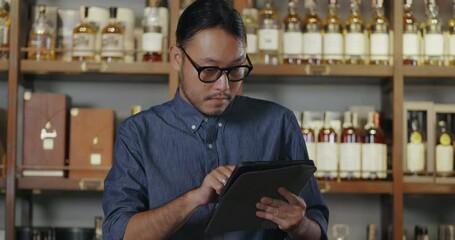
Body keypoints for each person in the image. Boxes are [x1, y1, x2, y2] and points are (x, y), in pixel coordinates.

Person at [102, 0, 329, 239]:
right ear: (177, 58)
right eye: (209, 70)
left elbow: (318, 229)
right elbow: (119, 233)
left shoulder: (278, 123)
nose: (224, 86)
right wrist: (193, 199)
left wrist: (299, 224)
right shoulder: (137, 133)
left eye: (235, 70)